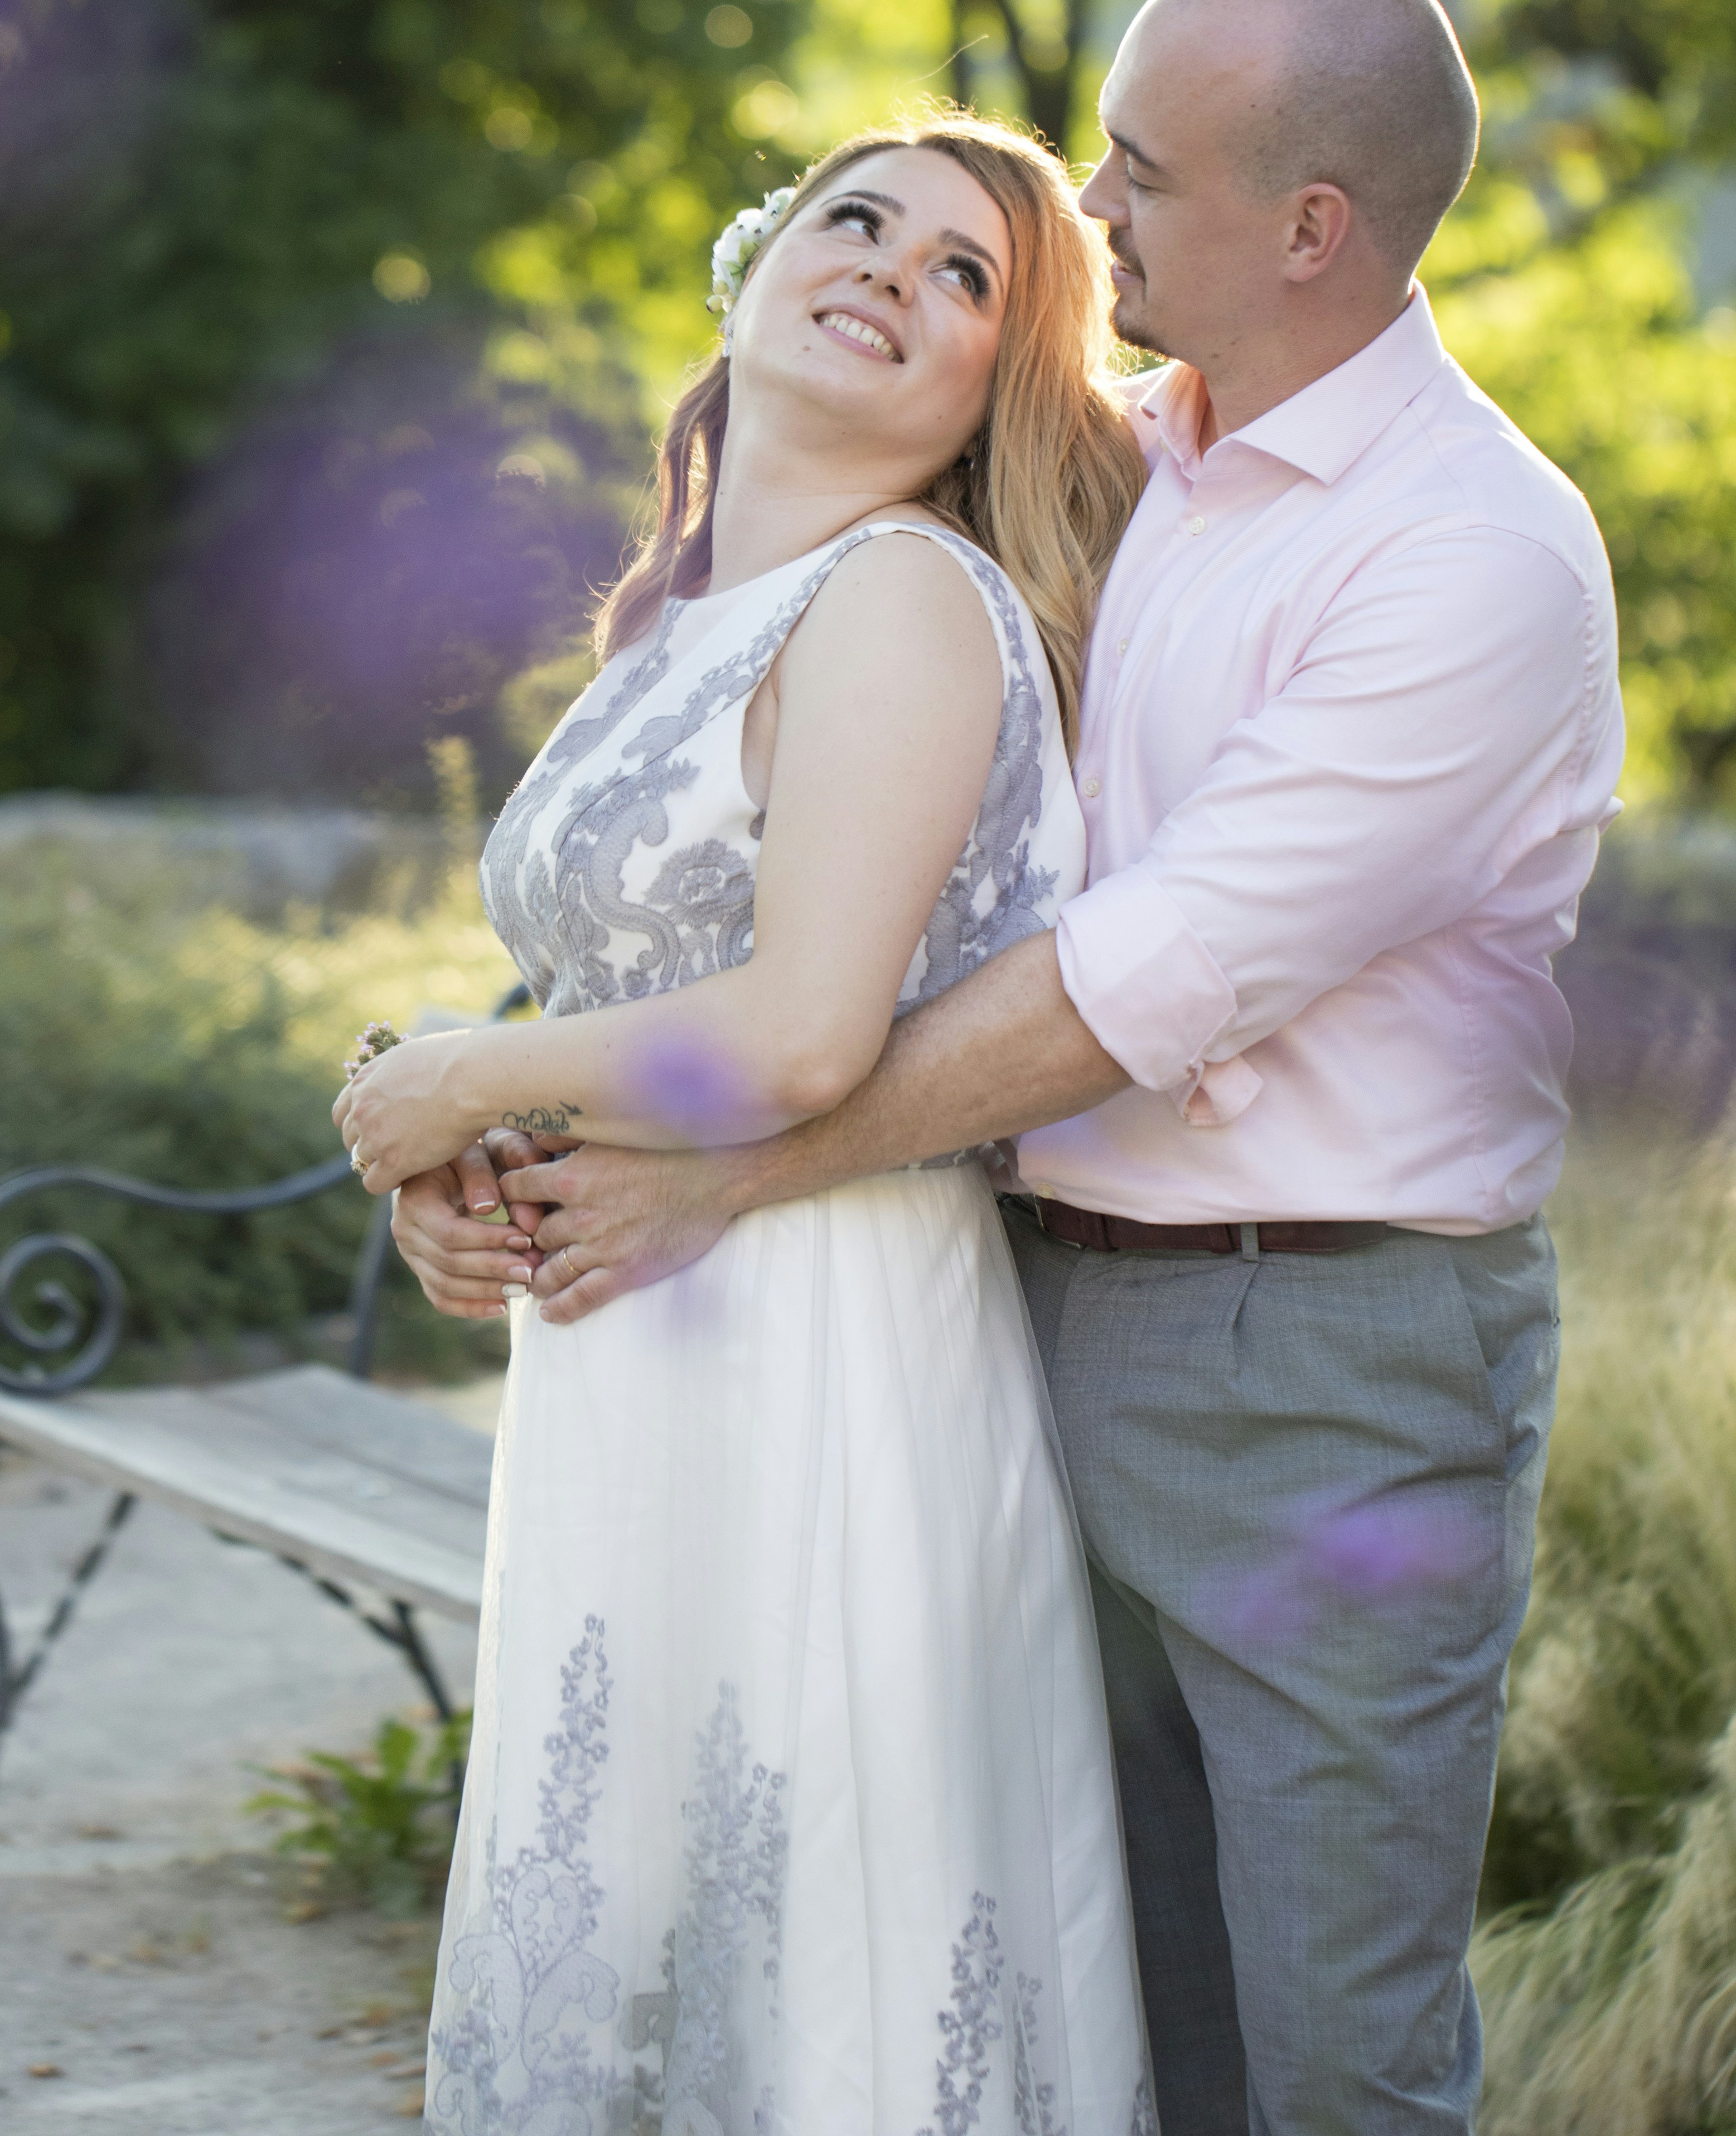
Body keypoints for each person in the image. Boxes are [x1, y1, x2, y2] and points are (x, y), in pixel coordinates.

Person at [396, 0, 1624, 2135]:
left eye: (1136, 174)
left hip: (1321, 1363)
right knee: (1090, 1990)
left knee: (1325, 2049)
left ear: (1314, 223)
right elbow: (759, 867)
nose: (1096, 207)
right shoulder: (1107, 466)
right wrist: (523, 1146)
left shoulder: (1475, 554)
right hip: (1002, 1295)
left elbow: (1134, 978)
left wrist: (730, 1154)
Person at [337, 115, 1158, 2132]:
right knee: (636, 1920)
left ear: (993, 383)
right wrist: (477, 1183)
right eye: (854, 219)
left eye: (965, 274)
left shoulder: (898, 596)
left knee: (824, 1942)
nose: (889, 266)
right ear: (759, 266)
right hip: (637, 1338)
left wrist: (461, 1071)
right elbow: (633, 998)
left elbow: (799, 1034)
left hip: (821, 1334)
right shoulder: (685, 617)